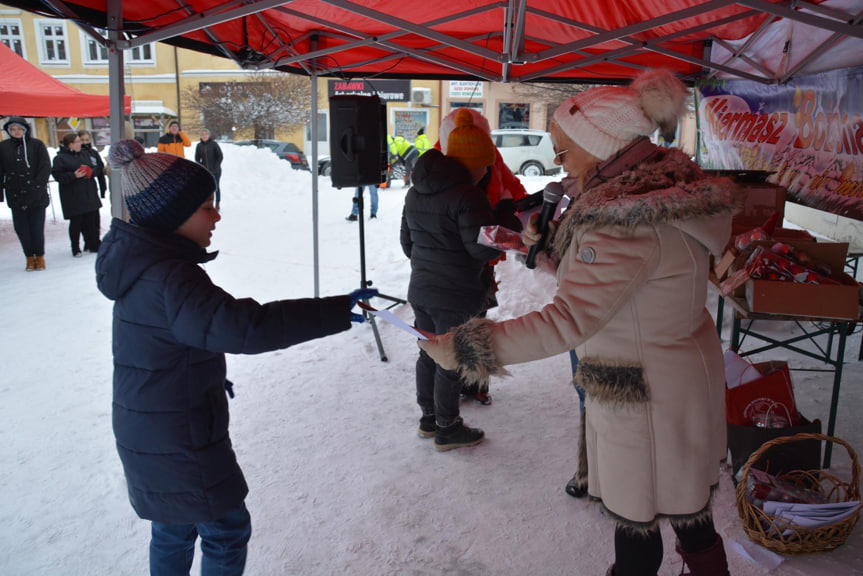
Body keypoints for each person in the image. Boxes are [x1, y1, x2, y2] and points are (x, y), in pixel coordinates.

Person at [418, 69, 739, 576]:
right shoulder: (661, 204)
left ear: (604, 145)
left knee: (640, 527)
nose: (559, 163)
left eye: (565, 152)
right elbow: (618, 283)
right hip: (676, 379)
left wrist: (467, 347)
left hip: (645, 397)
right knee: (687, 507)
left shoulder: (625, 224)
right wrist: (545, 249)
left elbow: (568, 319)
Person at [95, 138, 376, 576]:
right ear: (174, 216)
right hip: (176, 433)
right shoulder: (171, 276)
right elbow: (246, 327)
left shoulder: (140, 261)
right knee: (224, 529)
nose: (217, 214)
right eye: (207, 206)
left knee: (174, 528)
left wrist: (198, 370)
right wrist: (338, 309)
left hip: (152, 422)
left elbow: (167, 342)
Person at [400, 108, 504, 451]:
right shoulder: (468, 195)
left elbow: (407, 244)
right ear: (473, 164)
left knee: (429, 353)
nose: (485, 172)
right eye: (484, 165)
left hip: (421, 290)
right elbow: (481, 251)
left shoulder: (415, 192)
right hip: (456, 293)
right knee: (451, 359)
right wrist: (503, 233)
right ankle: (448, 427)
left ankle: (429, 420)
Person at [437, 107, 528, 405]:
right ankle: (447, 404)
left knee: (477, 321)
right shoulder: (439, 168)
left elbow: (513, 189)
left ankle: (475, 383)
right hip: (458, 260)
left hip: (481, 259)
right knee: (453, 331)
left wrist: (525, 207)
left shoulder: (488, 155)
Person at [1, 117, 51, 271]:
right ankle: (29, 257)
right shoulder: (3, 147)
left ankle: (40, 256)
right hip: (15, 195)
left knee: (36, 228)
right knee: (21, 229)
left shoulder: (36, 145)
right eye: (13, 129)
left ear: (25, 129)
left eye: (19, 129)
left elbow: (45, 167)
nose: (17, 132)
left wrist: (37, 186)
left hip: (36, 196)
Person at [52, 132, 102, 257]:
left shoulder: (85, 154)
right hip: (72, 194)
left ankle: (93, 244)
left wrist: (91, 172)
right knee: (76, 222)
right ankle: (75, 247)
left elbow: (96, 167)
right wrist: (73, 175)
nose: (81, 143)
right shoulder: (60, 158)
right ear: (70, 145)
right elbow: (57, 175)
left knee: (91, 220)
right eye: (78, 141)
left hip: (88, 191)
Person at [78, 129, 107, 252]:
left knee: (95, 216)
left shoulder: (93, 153)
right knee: (84, 218)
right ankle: (87, 241)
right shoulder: (77, 153)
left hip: (92, 187)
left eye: (87, 140)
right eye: (82, 140)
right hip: (79, 189)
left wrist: (103, 188)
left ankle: (95, 239)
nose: (85, 142)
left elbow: (99, 168)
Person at [195, 128, 224, 209]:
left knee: (216, 187)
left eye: (205, 134)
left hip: (216, 171)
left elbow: (220, 156)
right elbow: (197, 158)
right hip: (206, 172)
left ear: (209, 135)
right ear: (200, 136)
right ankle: (208, 204)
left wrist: (216, 166)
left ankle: (217, 204)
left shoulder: (214, 144)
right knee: (207, 189)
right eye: (202, 134)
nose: (204, 136)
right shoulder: (199, 146)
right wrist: (202, 167)